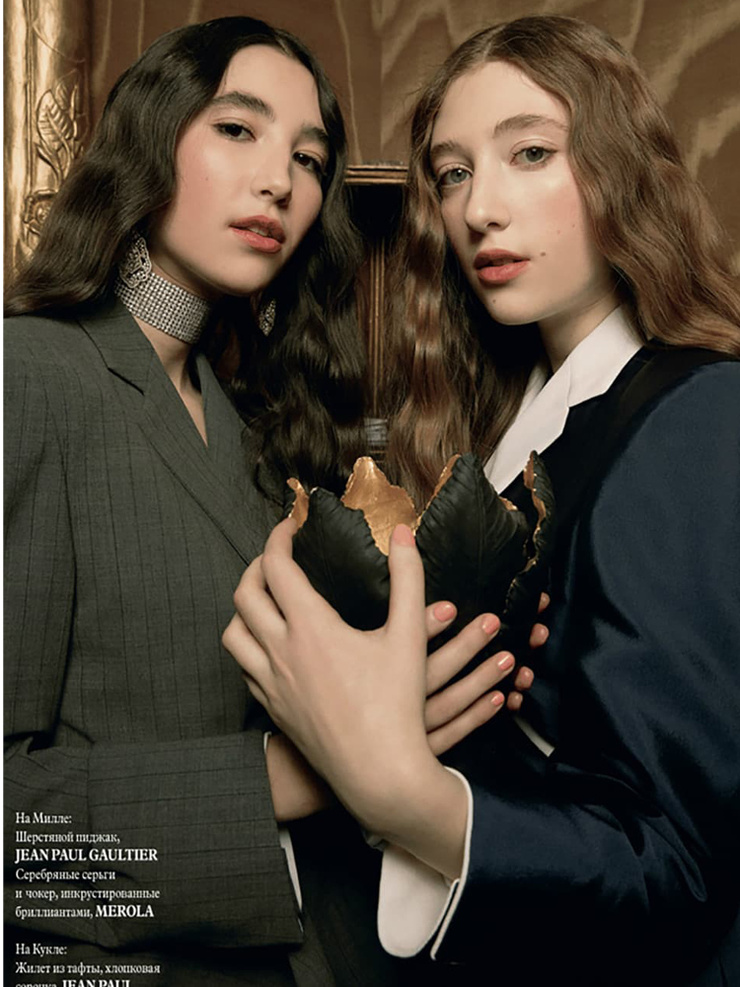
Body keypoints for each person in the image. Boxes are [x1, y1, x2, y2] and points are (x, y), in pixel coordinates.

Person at [4, 16, 539, 986]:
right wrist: (313, 771)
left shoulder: (251, 421)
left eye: (309, 159)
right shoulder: (30, 376)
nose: (279, 182)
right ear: (149, 139)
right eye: (237, 129)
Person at [224, 15, 740, 986]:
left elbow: (671, 870)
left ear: (622, 168)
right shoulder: (518, 434)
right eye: (453, 173)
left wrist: (397, 792)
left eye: (530, 153)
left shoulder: (696, 409)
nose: (479, 209)